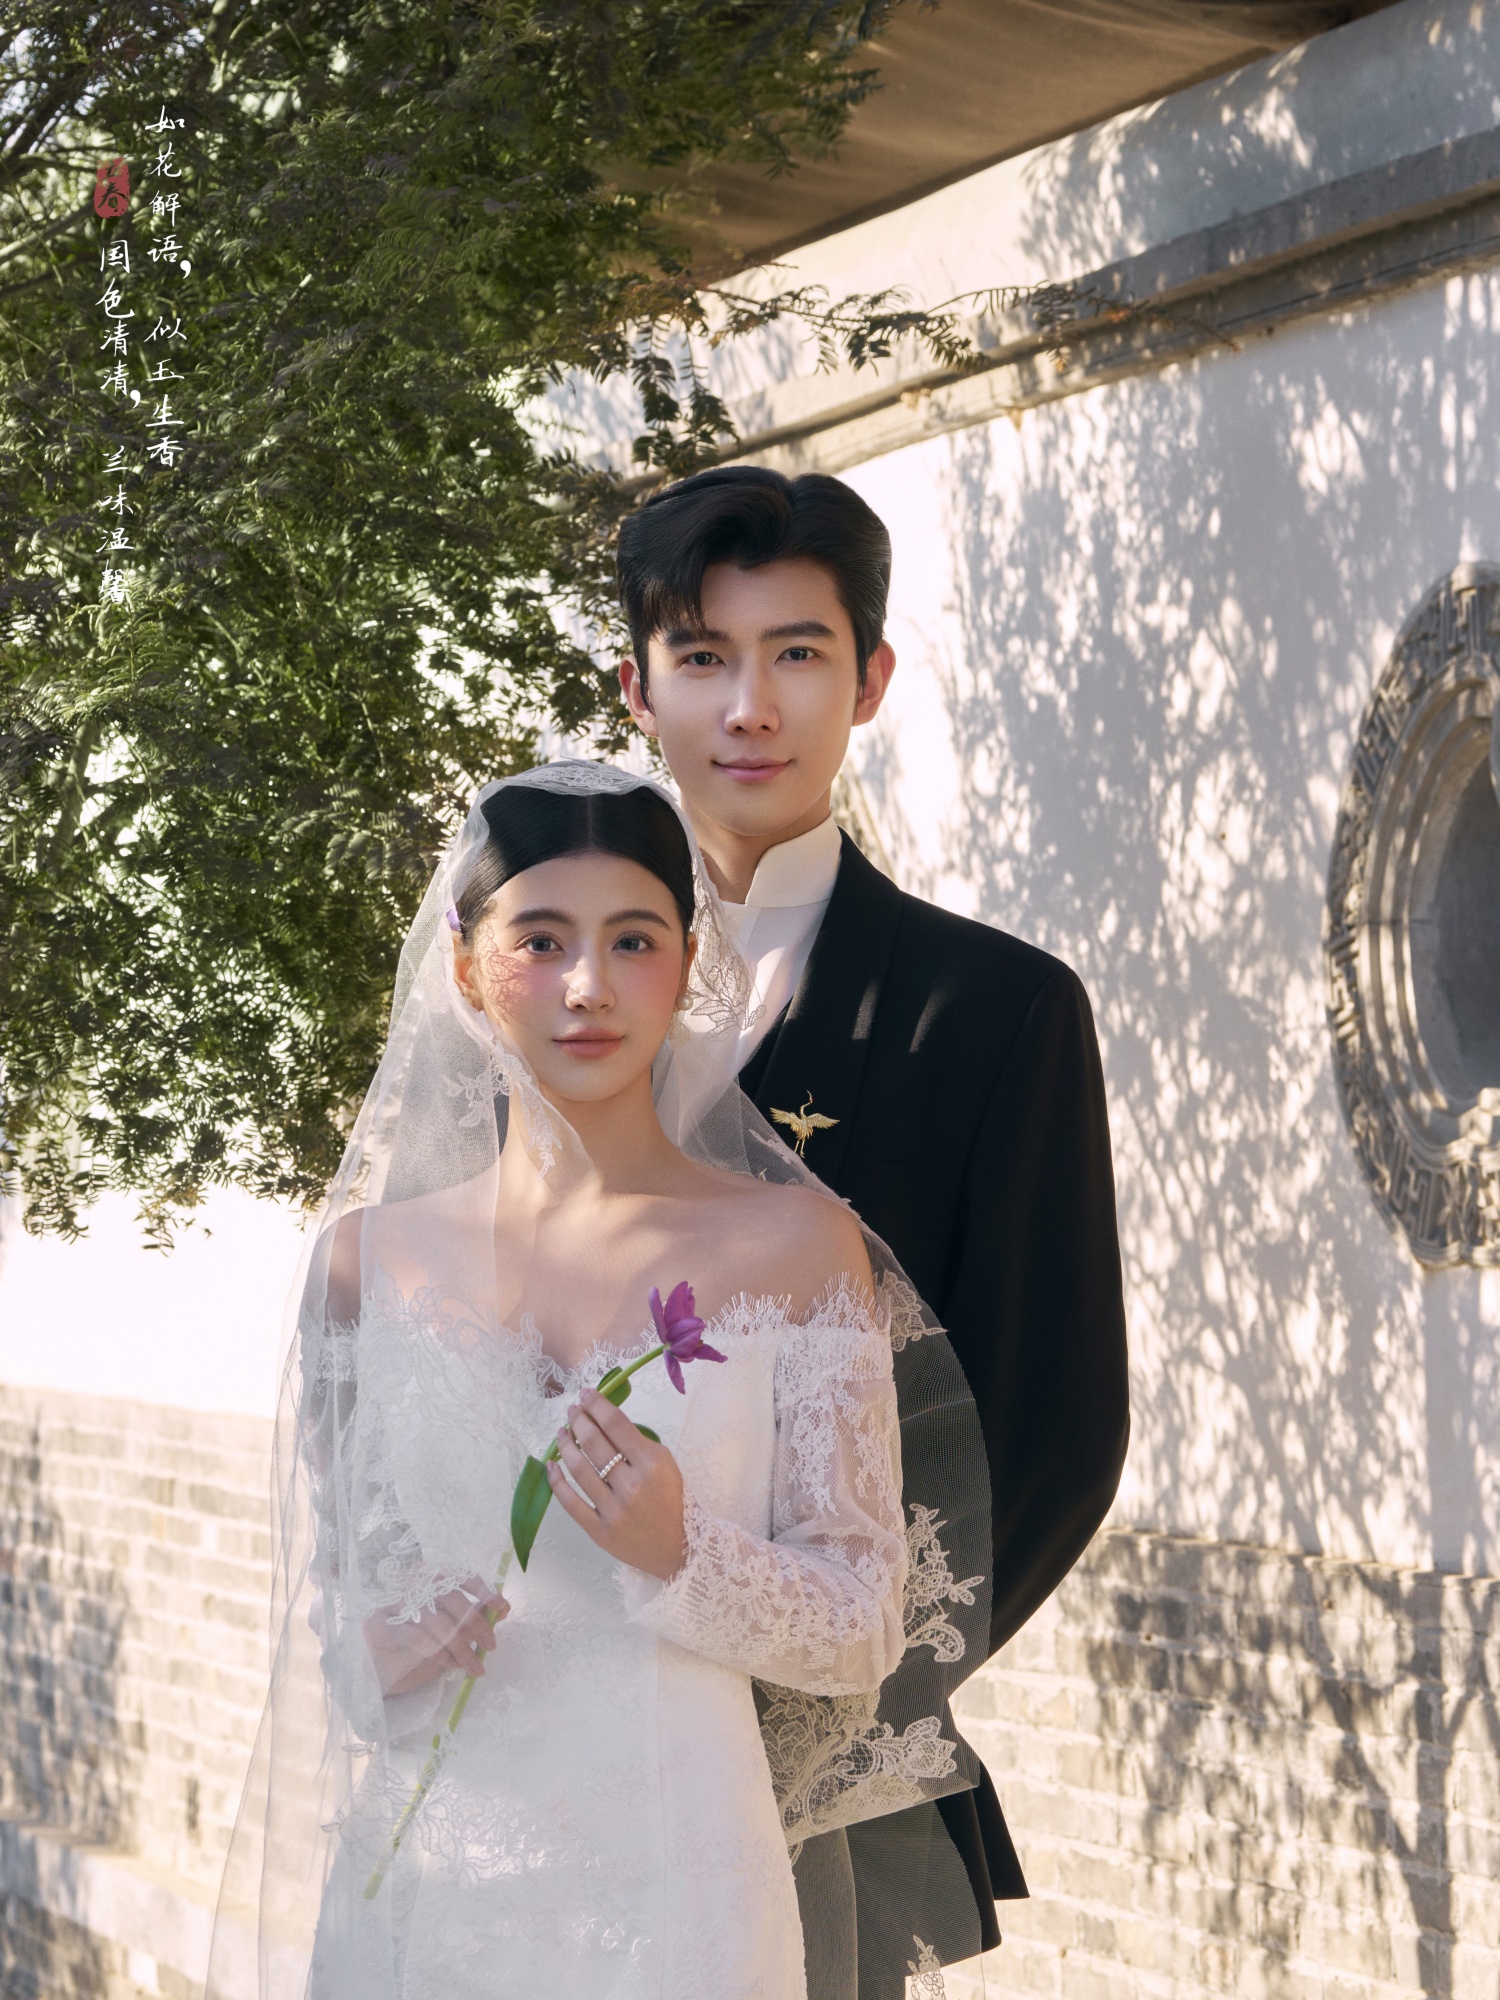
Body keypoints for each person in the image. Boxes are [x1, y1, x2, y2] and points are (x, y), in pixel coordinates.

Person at [207, 764, 994, 2000]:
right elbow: (343, 1645)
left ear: (687, 963)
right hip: (437, 1884)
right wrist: (391, 1648)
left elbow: (861, 1630)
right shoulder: (366, 1263)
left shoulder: (798, 1249)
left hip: (685, 1887)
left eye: (633, 939)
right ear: (467, 965)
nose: (588, 984)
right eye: (540, 939)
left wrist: (682, 1548)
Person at [618, 466, 1131, 1993]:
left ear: (871, 680)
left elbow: (1052, 1432)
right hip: (561, 1746)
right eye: (702, 656)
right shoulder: (546, 995)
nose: (750, 706)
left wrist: (825, 1702)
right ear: (637, 687)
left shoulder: (994, 1013)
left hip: (817, 1782)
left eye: (798, 653)